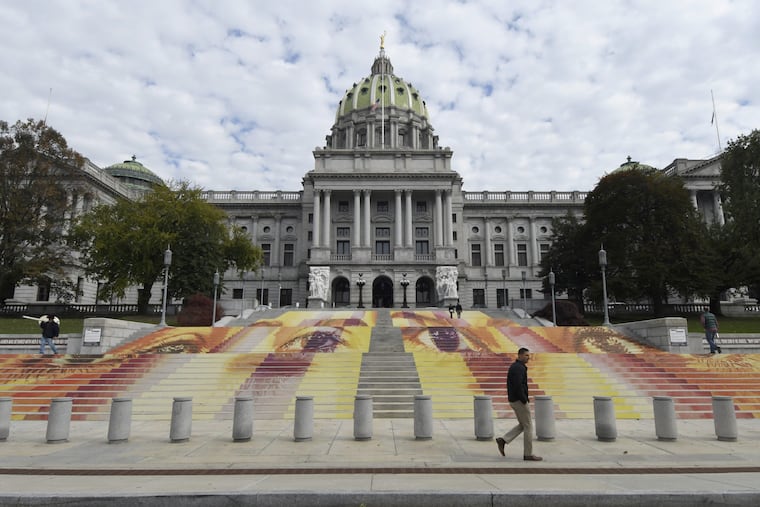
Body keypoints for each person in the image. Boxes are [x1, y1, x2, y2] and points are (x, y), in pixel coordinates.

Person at [496, 347, 542, 461]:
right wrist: (524, 399)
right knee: (528, 426)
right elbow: (518, 386)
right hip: (518, 400)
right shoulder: (518, 368)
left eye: (529, 355)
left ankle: (504, 440)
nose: (528, 357)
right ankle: (528, 454)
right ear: (520, 355)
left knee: (523, 425)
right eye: (526, 355)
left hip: (515, 399)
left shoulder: (518, 367)